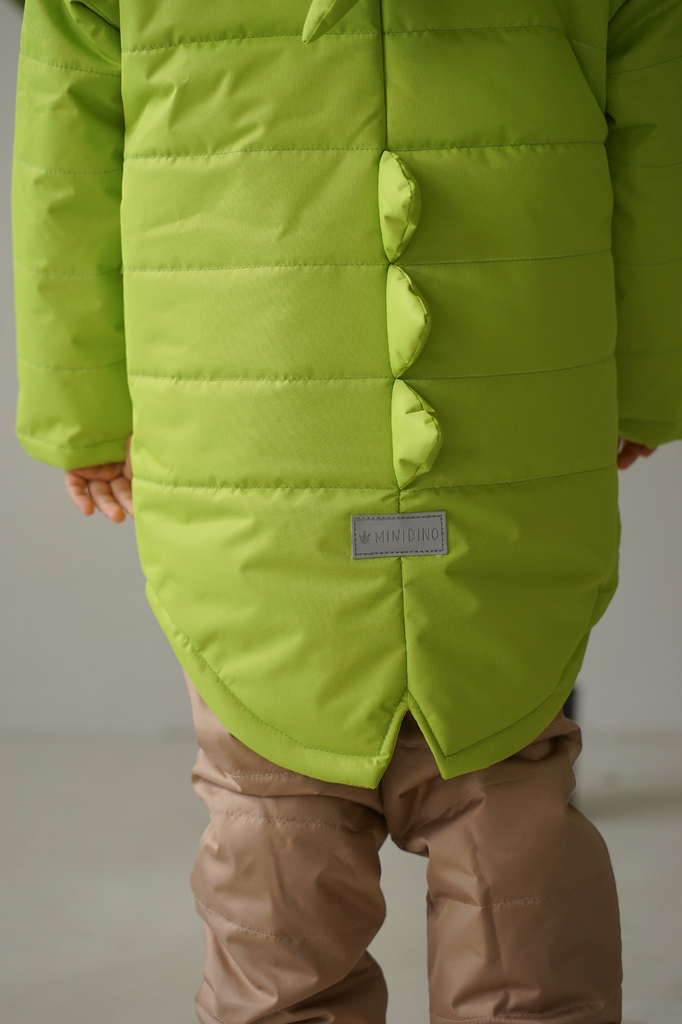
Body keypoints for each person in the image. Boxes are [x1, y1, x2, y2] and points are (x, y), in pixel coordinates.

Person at [12, 1, 680, 1022]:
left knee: (272, 825)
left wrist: (83, 415)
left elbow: (63, 179)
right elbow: (655, 153)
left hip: (249, 445)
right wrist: (643, 389)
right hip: (510, 425)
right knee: (510, 814)